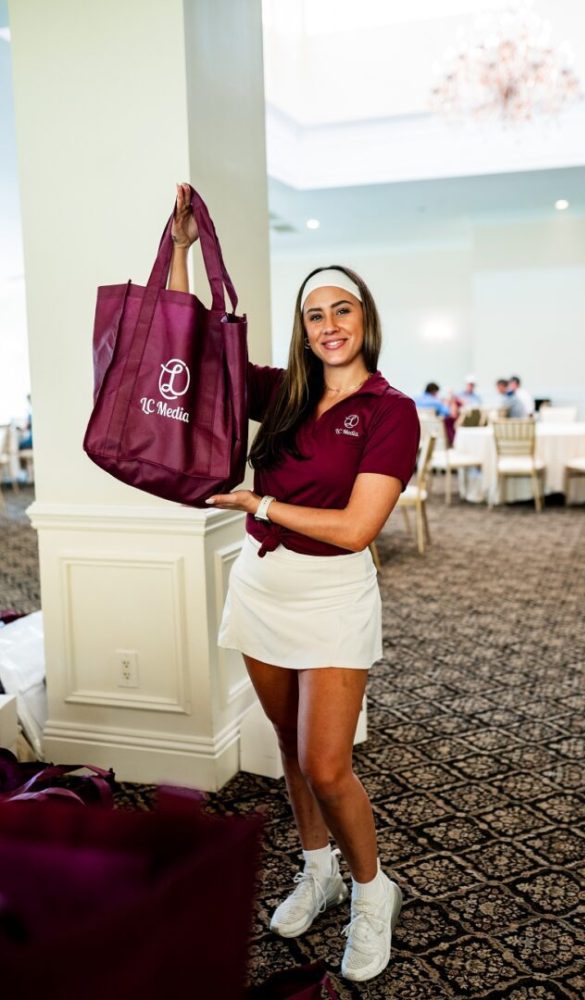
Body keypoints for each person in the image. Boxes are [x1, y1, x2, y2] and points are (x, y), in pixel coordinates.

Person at [169, 184, 421, 983]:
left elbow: (355, 528)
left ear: (365, 321)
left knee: (327, 763)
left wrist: (262, 501)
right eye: (316, 314)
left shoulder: (391, 410)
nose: (330, 325)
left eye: (343, 310)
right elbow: (193, 348)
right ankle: (316, 869)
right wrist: (181, 253)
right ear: (304, 329)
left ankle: (373, 892)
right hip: (262, 586)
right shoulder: (282, 391)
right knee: (285, 744)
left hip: (332, 594)